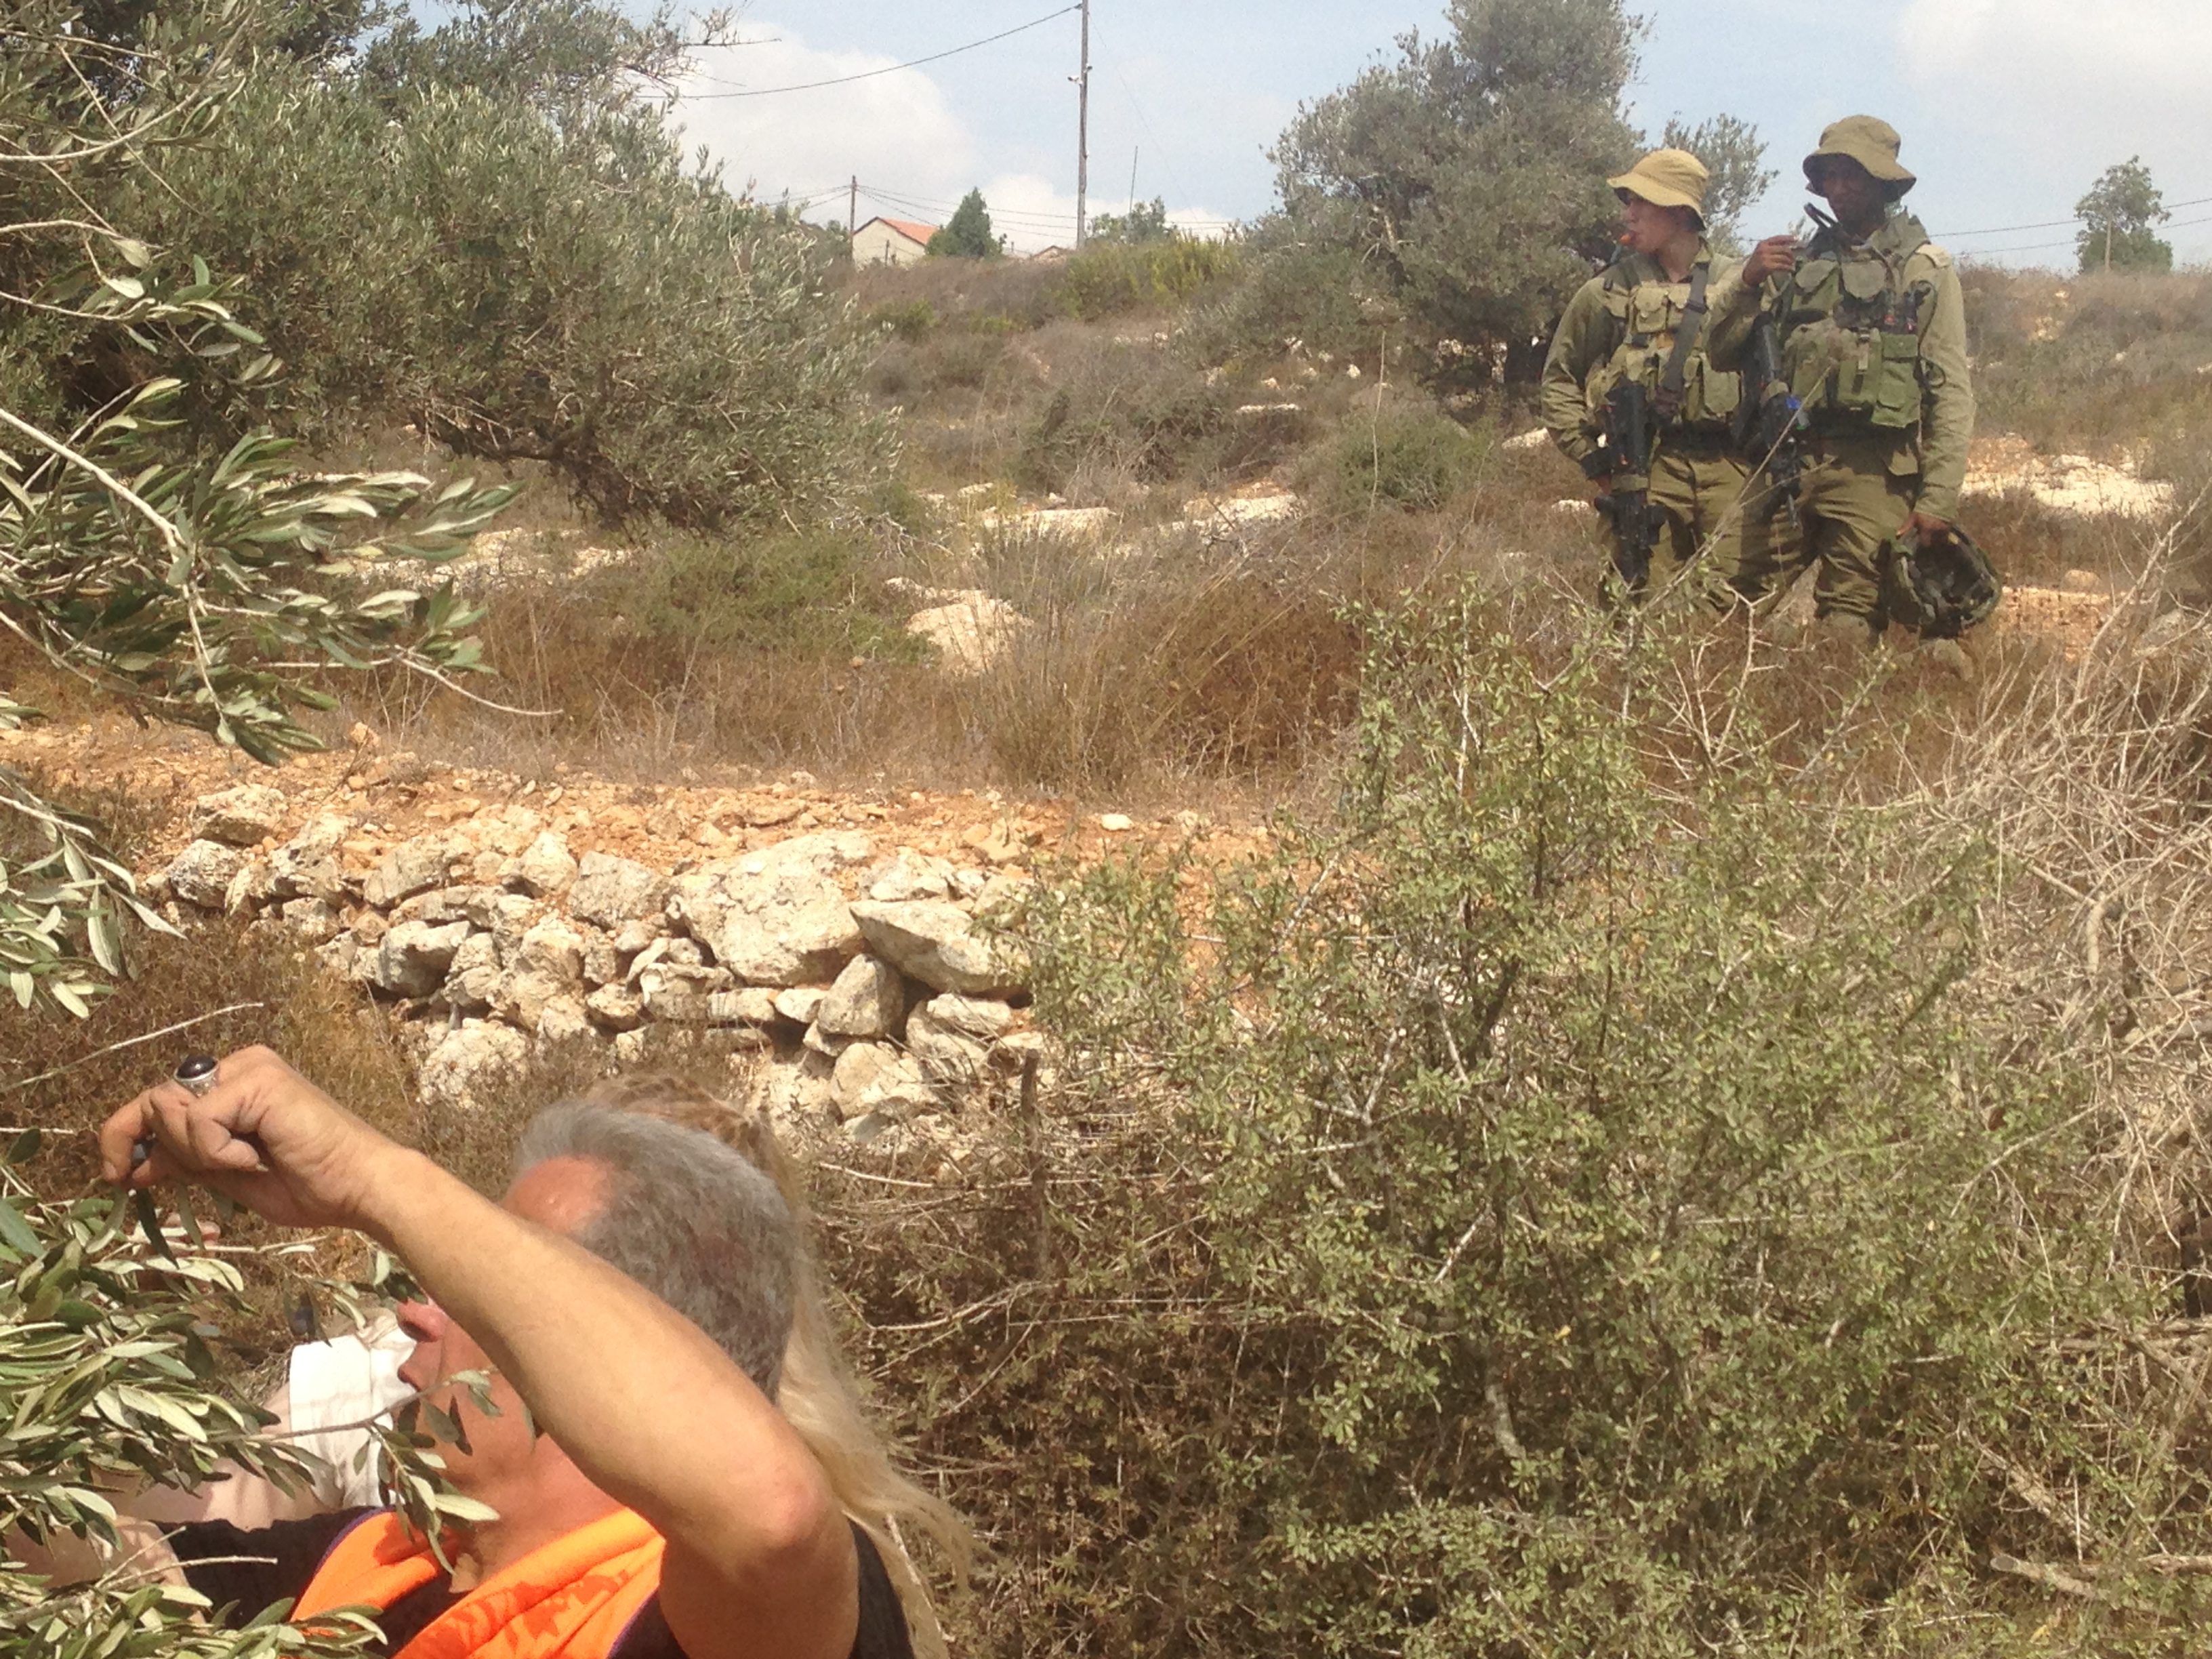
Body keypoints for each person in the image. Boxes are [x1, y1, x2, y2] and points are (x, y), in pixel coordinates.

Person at [93, 1045, 918, 1659]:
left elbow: (773, 1516)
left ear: (593, 1369)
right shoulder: (368, 1565)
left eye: (478, 1291)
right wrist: (76, 1357)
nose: (417, 1314)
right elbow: (79, 1558)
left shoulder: (692, 1622)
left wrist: (368, 1177)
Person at [1703, 116, 1976, 638]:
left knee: (1848, 626)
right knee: (1719, 603)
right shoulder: (1792, 265)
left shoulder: (1925, 269)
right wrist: (1748, 280)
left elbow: (1950, 392)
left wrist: (1937, 498)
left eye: (1852, 175)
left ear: (1882, 182)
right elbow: (1719, 351)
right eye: (1830, 176)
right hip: (1787, 458)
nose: (1839, 188)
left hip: (1875, 471)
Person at [1540, 146, 1774, 603]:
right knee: (1637, 603)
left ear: (1680, 211)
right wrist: (1592, 459)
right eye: (1628, 201)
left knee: (1735, 607)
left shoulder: (1742, 280)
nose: (1629, 214)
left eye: (1641, 202)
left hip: (1733, 470)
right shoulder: (1608, 290)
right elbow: (1559, 379)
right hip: (1647, 468)